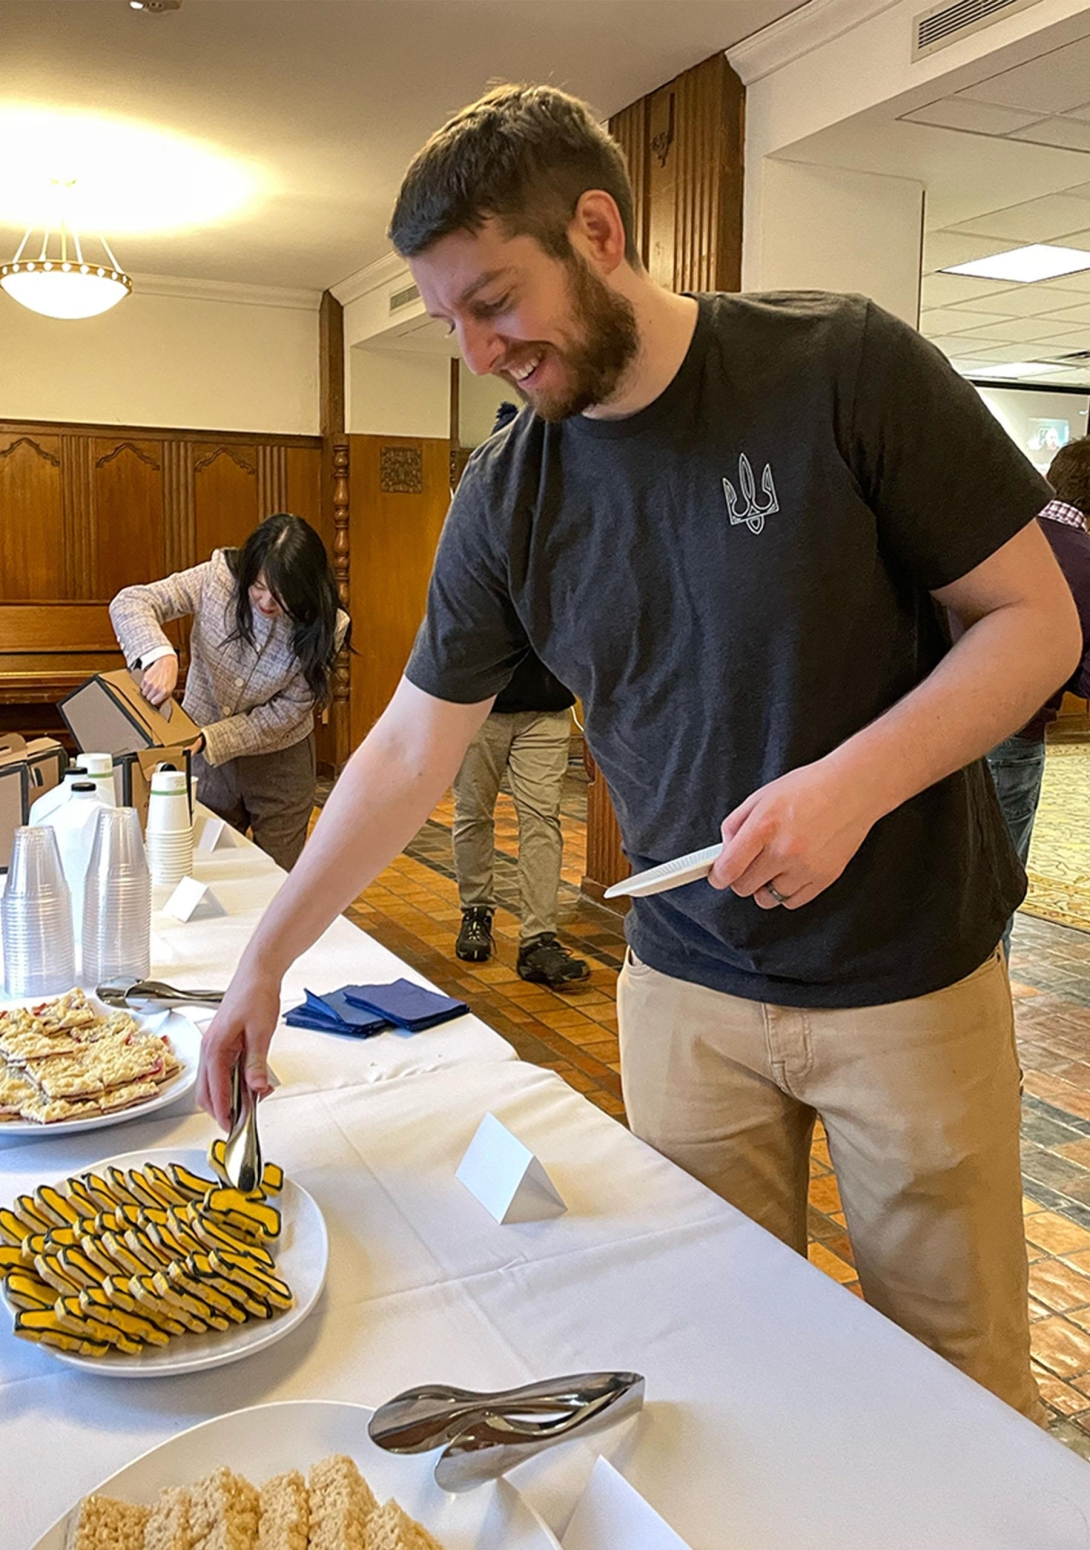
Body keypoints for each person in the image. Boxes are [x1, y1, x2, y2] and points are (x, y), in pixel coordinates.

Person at [197, 85, 1080, 1422]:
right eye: (445, 319)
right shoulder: (507, 491)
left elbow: (1034, 624)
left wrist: (849, 786)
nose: (478, 348)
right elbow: (401, 752)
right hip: (681, 996)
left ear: (597, 229)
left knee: (955, 1377)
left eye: (493, 300)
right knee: (712, 1355)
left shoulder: (837, 364)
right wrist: (263, 961)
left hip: (907, 974)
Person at [110, 513, 349, 870]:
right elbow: (132, 602)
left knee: (276, 878)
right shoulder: (217, 577)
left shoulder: (328, 626)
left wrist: (210, 737)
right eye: (257, 586)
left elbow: (285, 713)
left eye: (282, 596)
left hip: (280, 762)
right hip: (204, 761)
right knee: (208, 868)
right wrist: (160, 655)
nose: (266, 602)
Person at [452, 401, 589, 989]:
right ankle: (476, 911)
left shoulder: (569, 527)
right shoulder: (472, 526)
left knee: (543, 820)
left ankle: (539, 937)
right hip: (479, 705)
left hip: (547, 707)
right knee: (471, 814)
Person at [987, 435, 1090, 954]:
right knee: (998, 878)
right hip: (1011, 734)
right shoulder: (1085, 561)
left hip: (914, 725)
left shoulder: (984, 530)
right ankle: (986, 987)